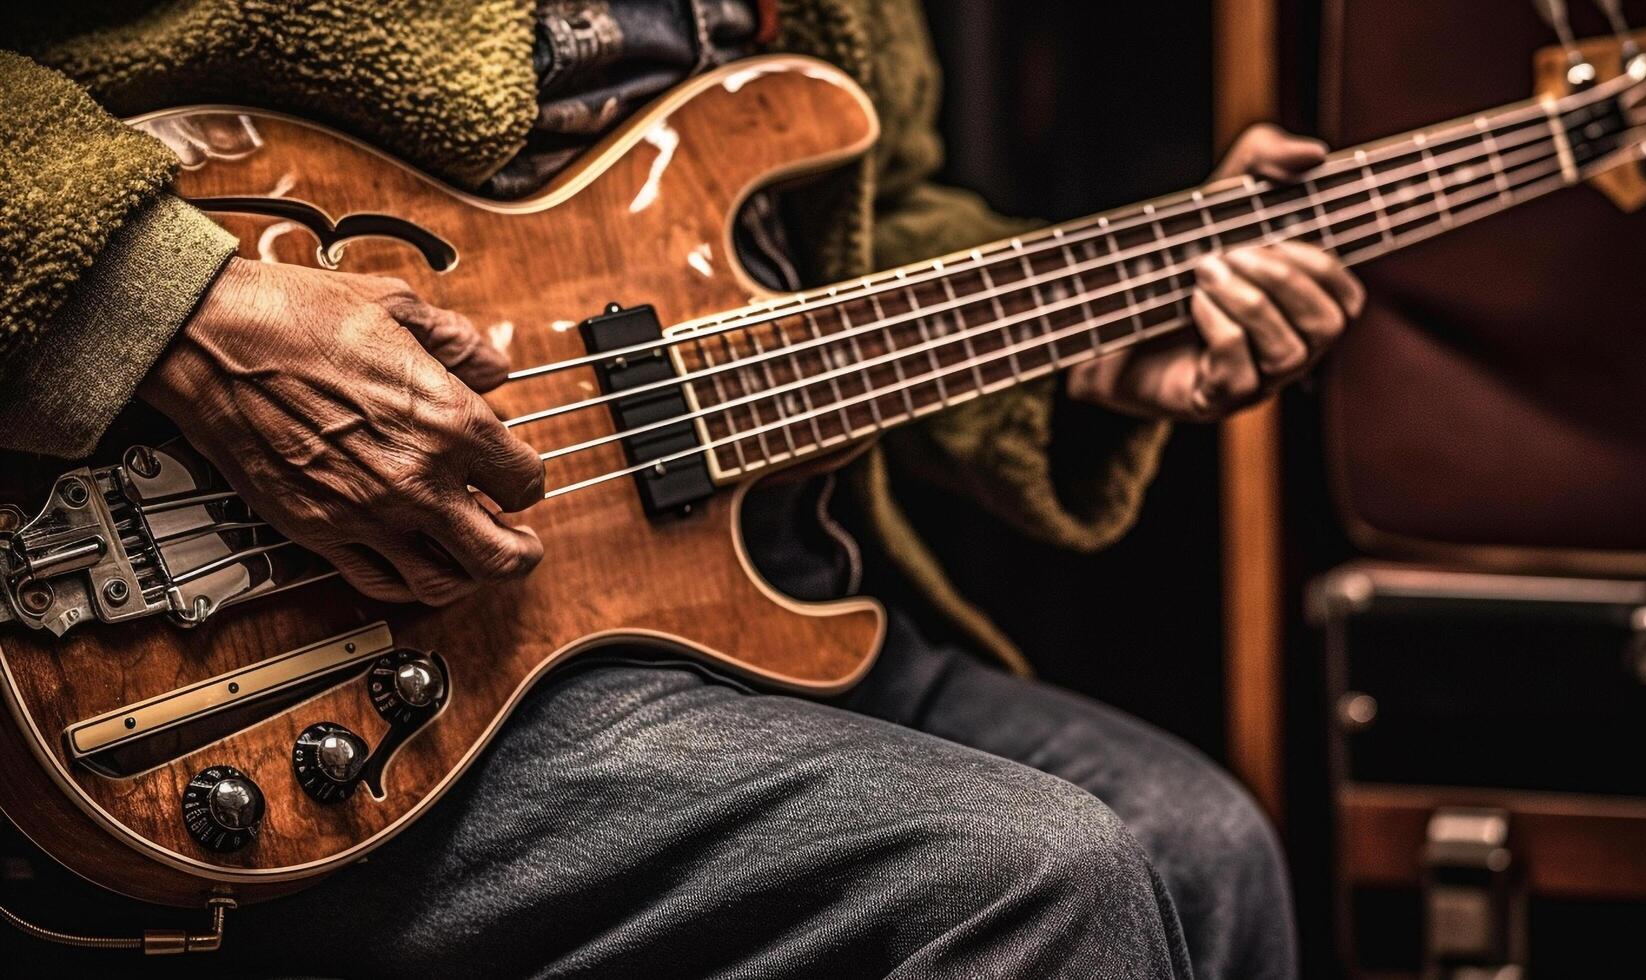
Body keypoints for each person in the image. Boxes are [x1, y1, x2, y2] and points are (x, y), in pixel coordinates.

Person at [0, 2, 1362, 976]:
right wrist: (175, 309)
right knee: (1034, 877)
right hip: (325, 622)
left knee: (1203, 840)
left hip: (725, 579)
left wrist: (1084, 334)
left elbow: (865, 225)